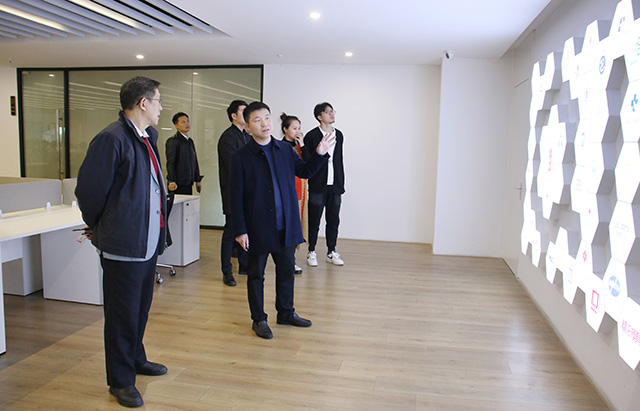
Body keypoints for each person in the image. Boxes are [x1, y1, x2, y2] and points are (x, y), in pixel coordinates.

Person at [75, 76, 168, 408]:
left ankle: (135, 358)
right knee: (121, 315)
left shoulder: (146, 137)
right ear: (143, 103)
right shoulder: (112, 139)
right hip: (123, 244)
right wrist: (102, 225)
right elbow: (89, 192)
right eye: (158, 101)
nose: (161, 108)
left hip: (146, 242)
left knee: (139, 310)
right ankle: (120, 380)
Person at [230, 101, 335, 339]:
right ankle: (259, 319)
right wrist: (240, 230)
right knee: (256, 275)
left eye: (267, 117)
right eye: (257, 120)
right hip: (257, 227)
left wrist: (320, 153)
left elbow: (305, 171)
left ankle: (286, 313)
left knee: (286, 271)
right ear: (248, 126)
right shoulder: (241, 157)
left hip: (286, 225)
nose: (264, 123)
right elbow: (235, 197)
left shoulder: (285, 150)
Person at [302, 102, 346, 267]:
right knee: (314, 220)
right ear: (319, 116)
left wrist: (340, 180)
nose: (332, 114)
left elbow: (338, 159)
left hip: (335, 184)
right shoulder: (312, 136)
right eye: (328, 112)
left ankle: (331, 251)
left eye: (332, 111)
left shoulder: (339, 135)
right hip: (318, 184)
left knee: (333, 220)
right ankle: (311, 251)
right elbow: (308, 160)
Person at [218, 100, 250, 287]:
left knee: (245, 228)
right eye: (243, 112)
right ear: (233, 116)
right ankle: (226, 271)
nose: (247, 115)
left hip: (247, 191)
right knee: (231, 231)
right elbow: (234, 166)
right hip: (233, 191)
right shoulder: (227, 138)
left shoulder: (246, 135)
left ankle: (244, 265)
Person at [280, 112, 307, 275]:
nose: (298, 131)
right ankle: (290, 261)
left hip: (301, 189)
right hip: (290, 190)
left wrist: (302, 144)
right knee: (289, 226)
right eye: (294, 128)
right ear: (285, 129)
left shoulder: (299, 145)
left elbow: (308, 163)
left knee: (299, 225)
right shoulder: (282, 147)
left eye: (299, 128)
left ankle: (292, 260)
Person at [165, 112, 203, 195]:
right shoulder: (173, 141)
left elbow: (194, 161)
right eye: (183, 122)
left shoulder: (190, 141)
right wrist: (172, 180)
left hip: (188, 182)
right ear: (176, 125)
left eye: (187, 121)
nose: (187, 124)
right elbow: (171, 163)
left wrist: (197, 180)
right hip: (178, 183)